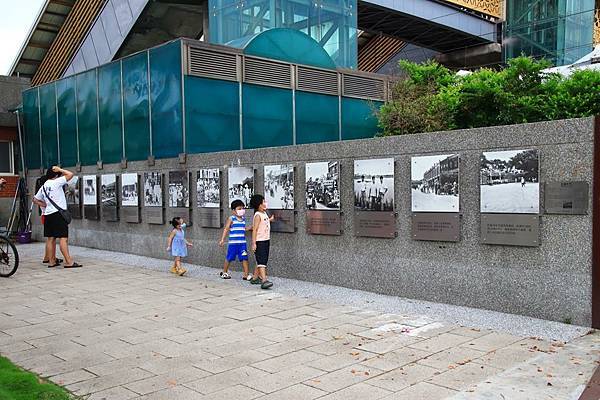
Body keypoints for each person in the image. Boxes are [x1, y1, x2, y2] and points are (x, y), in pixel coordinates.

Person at [32, 166, 81, 268]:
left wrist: (45, 205)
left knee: (51, 239)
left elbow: (35, 200)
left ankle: (51, 261)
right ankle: (69, 262)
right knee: (63, 238)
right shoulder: (56, 182)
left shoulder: (44, 186)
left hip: (48, 215)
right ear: (56, 175)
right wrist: (60, 169)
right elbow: (70, 175)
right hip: (58, 214)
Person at [218, 200, 252, 280]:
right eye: (239, 208)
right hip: (233, 244)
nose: (241, 210)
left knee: (244, 258)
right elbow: (226, 229)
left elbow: (243, 229)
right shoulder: (231, 218)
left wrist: (250, 228)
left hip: (242, 244)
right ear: (233, 210)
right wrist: (222, 239)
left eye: (243, 208)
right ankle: (224, 272)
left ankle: (246, 275)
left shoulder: (243, 219)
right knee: (229, 258)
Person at [249, 194, 274, 289]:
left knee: (261, 259)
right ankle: (264, 280)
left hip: (266, 239)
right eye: (263, 202)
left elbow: (266, 221)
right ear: (259, 204)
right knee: (262, 260)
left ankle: (255, 278)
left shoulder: (264, 213)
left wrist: (270, 219)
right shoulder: (257, 215)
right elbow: (255, 229)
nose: (265, 203)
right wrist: (254, 243)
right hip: (260, 241)